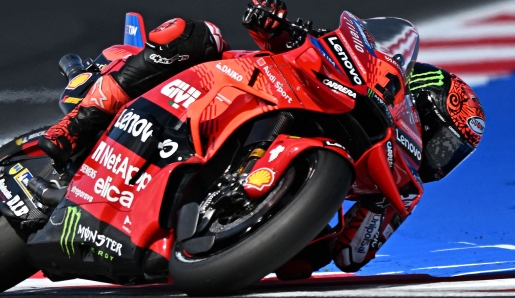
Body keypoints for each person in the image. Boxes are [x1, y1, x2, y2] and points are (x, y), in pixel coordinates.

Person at [38, 0, 486, 279]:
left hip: (257, 214)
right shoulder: (379, 80)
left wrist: (302, 241)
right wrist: (277, 25)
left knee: (294, 265)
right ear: (422, 101)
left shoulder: (400, 191)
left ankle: (197, 220)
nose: (438, 156)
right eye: (443, 140)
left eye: (452, 155)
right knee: (193, 35)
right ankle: (77, 123)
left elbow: (351, 255)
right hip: (239, 82)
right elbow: (301, 44)